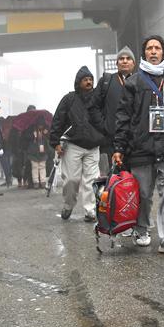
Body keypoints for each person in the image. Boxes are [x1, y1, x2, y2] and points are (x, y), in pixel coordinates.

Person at [112, 36, 164, 255]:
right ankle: (141, 229)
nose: (153, 51)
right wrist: (119, 147)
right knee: (143, 193)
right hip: (140, 147)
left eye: (157, 48)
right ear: (144, 53)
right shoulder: (134, 82)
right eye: (149, 48)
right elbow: (123, 116)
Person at [50, 67, 106, 221]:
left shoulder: (98, 98)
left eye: (90, 79)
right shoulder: (69, 99)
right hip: (73, 145)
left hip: (93, 145)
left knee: (92, 180)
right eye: (85, 79)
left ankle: (90, 211)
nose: (89, 82)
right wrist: (55, 142)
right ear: (78, 82)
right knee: (71, 180)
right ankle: (68, 205)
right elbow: (58, 120)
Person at [92, 46, 136, 175]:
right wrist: (104, 126)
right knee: (112, 180)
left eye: (128, 58)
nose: (124, 61)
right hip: (110, 140)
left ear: (133, 63)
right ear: (117, 63)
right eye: (121, 59)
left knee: (134, 181)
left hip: (133, 141)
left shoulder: (139, 81)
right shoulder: (107, 81)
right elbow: (93, 107)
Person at [28, 124, 47, 189]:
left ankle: (43, 182)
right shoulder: (31, 130)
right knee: (35, 167)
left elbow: (48, 139)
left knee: (42, 167)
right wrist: (34, 136)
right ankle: (36, 182)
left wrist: (44, 135)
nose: (40, 126)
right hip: (33, 153)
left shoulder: (46, 130)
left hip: (43, 152)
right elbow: (27, 139)